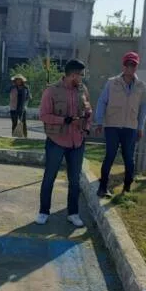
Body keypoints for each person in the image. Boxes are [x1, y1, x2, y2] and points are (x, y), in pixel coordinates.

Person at [35, 59, 92, 228]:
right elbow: (43, 115)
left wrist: (86, 128)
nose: (82, 78)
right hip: (56, 141)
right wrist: (63, 120)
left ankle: (73, 213)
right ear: (73, 75)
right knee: (49, 177)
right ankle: (44, 212)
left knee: (75, 180)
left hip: (77, 142)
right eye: (80, 75)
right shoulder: (52, 91)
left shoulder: (82, 89)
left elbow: (88, 111)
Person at [94, 51, 146, 198]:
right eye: (128, 64)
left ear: (136, 67)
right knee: (110, 156)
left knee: (129, 158)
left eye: (133, 65)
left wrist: (140, 127)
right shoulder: (112, 83)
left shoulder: (141, 86)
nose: (130, 67)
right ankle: (102, 187)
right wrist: (99, 121)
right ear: (123, 65)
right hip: (112, 126)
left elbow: (144, 108)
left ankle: (127, 188)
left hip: (131, 127)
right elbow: (102, 101)